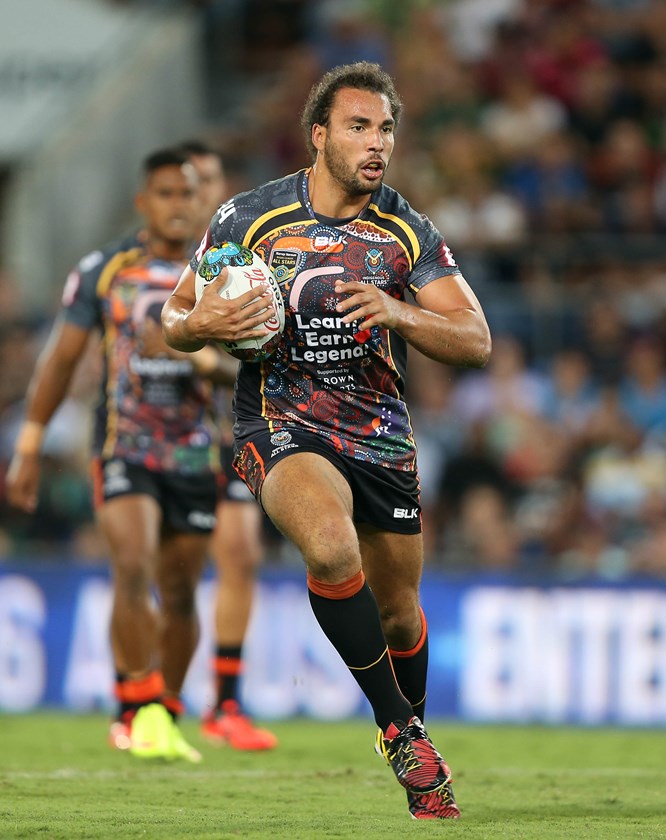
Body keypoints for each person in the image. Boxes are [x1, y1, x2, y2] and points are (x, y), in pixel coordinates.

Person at [162, 63, 491, 818]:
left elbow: (476, 340)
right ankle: (398, 729)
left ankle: (414, 736)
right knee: (332, 547)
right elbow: (174, 319)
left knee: (400, 611)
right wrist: (201, 327)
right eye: (359, 127)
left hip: (379, 431)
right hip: (280, 422)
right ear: (319, 136)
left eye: (386, 130)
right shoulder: (249, 217)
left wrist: (399, 313)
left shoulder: (407, 230)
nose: (378, 144)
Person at [6, 148, 236, 761]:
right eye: (165, 193)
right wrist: (28, 445)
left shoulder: (225, 271)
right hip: (123, 446)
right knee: (132, 566)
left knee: (182, 590)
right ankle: (134, 707)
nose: (178, 206)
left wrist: (204, 358)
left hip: (194, 452)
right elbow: (60, 358)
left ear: (201, 201)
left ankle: (165, 710)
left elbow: (252, 364)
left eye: (188, 194)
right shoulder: (106, 268)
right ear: (144, 202)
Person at [176, 140, 278, 750]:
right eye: (191, 184)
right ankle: (150, 697)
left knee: (239, 554)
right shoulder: (172, 264)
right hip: (170, 439)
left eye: (210, 181)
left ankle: (225, 703)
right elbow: (164, 334)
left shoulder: (248, 252)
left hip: (234, 431)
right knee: (179, 568)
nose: (203, 194)